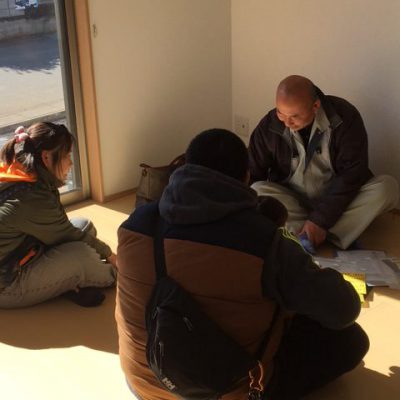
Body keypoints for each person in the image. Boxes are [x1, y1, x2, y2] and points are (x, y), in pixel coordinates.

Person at [116, 128, 369, 400]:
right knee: (351, 340)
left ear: (185, 165)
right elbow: (344, 309)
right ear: (247, 177)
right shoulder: (263, 239)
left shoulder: (136, 223)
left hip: (143, 382)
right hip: (230, 392)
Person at [249, 75, 399, 251]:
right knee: (257, 189)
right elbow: (253, 171)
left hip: (338, 199)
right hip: (294, 200)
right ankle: (333, 234)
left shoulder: (344, 117)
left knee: (387, 187)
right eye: (281, 114)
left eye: (295, 116)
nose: (288, 123)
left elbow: (352, 173)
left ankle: (309, 233)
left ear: (315, 106)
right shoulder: (269, 125)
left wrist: (319, 220)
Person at [0, 122, 116, 308]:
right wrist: (112, 256)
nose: (70, 163)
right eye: (66, 156)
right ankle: (121, 276)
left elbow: (64, 229)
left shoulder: (20, 169)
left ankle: (69, 283)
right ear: (46, 156)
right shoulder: (31, 198)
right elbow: (67, 233)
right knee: (83, 257)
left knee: (84, 225)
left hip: (21, 251)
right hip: (7, 282)